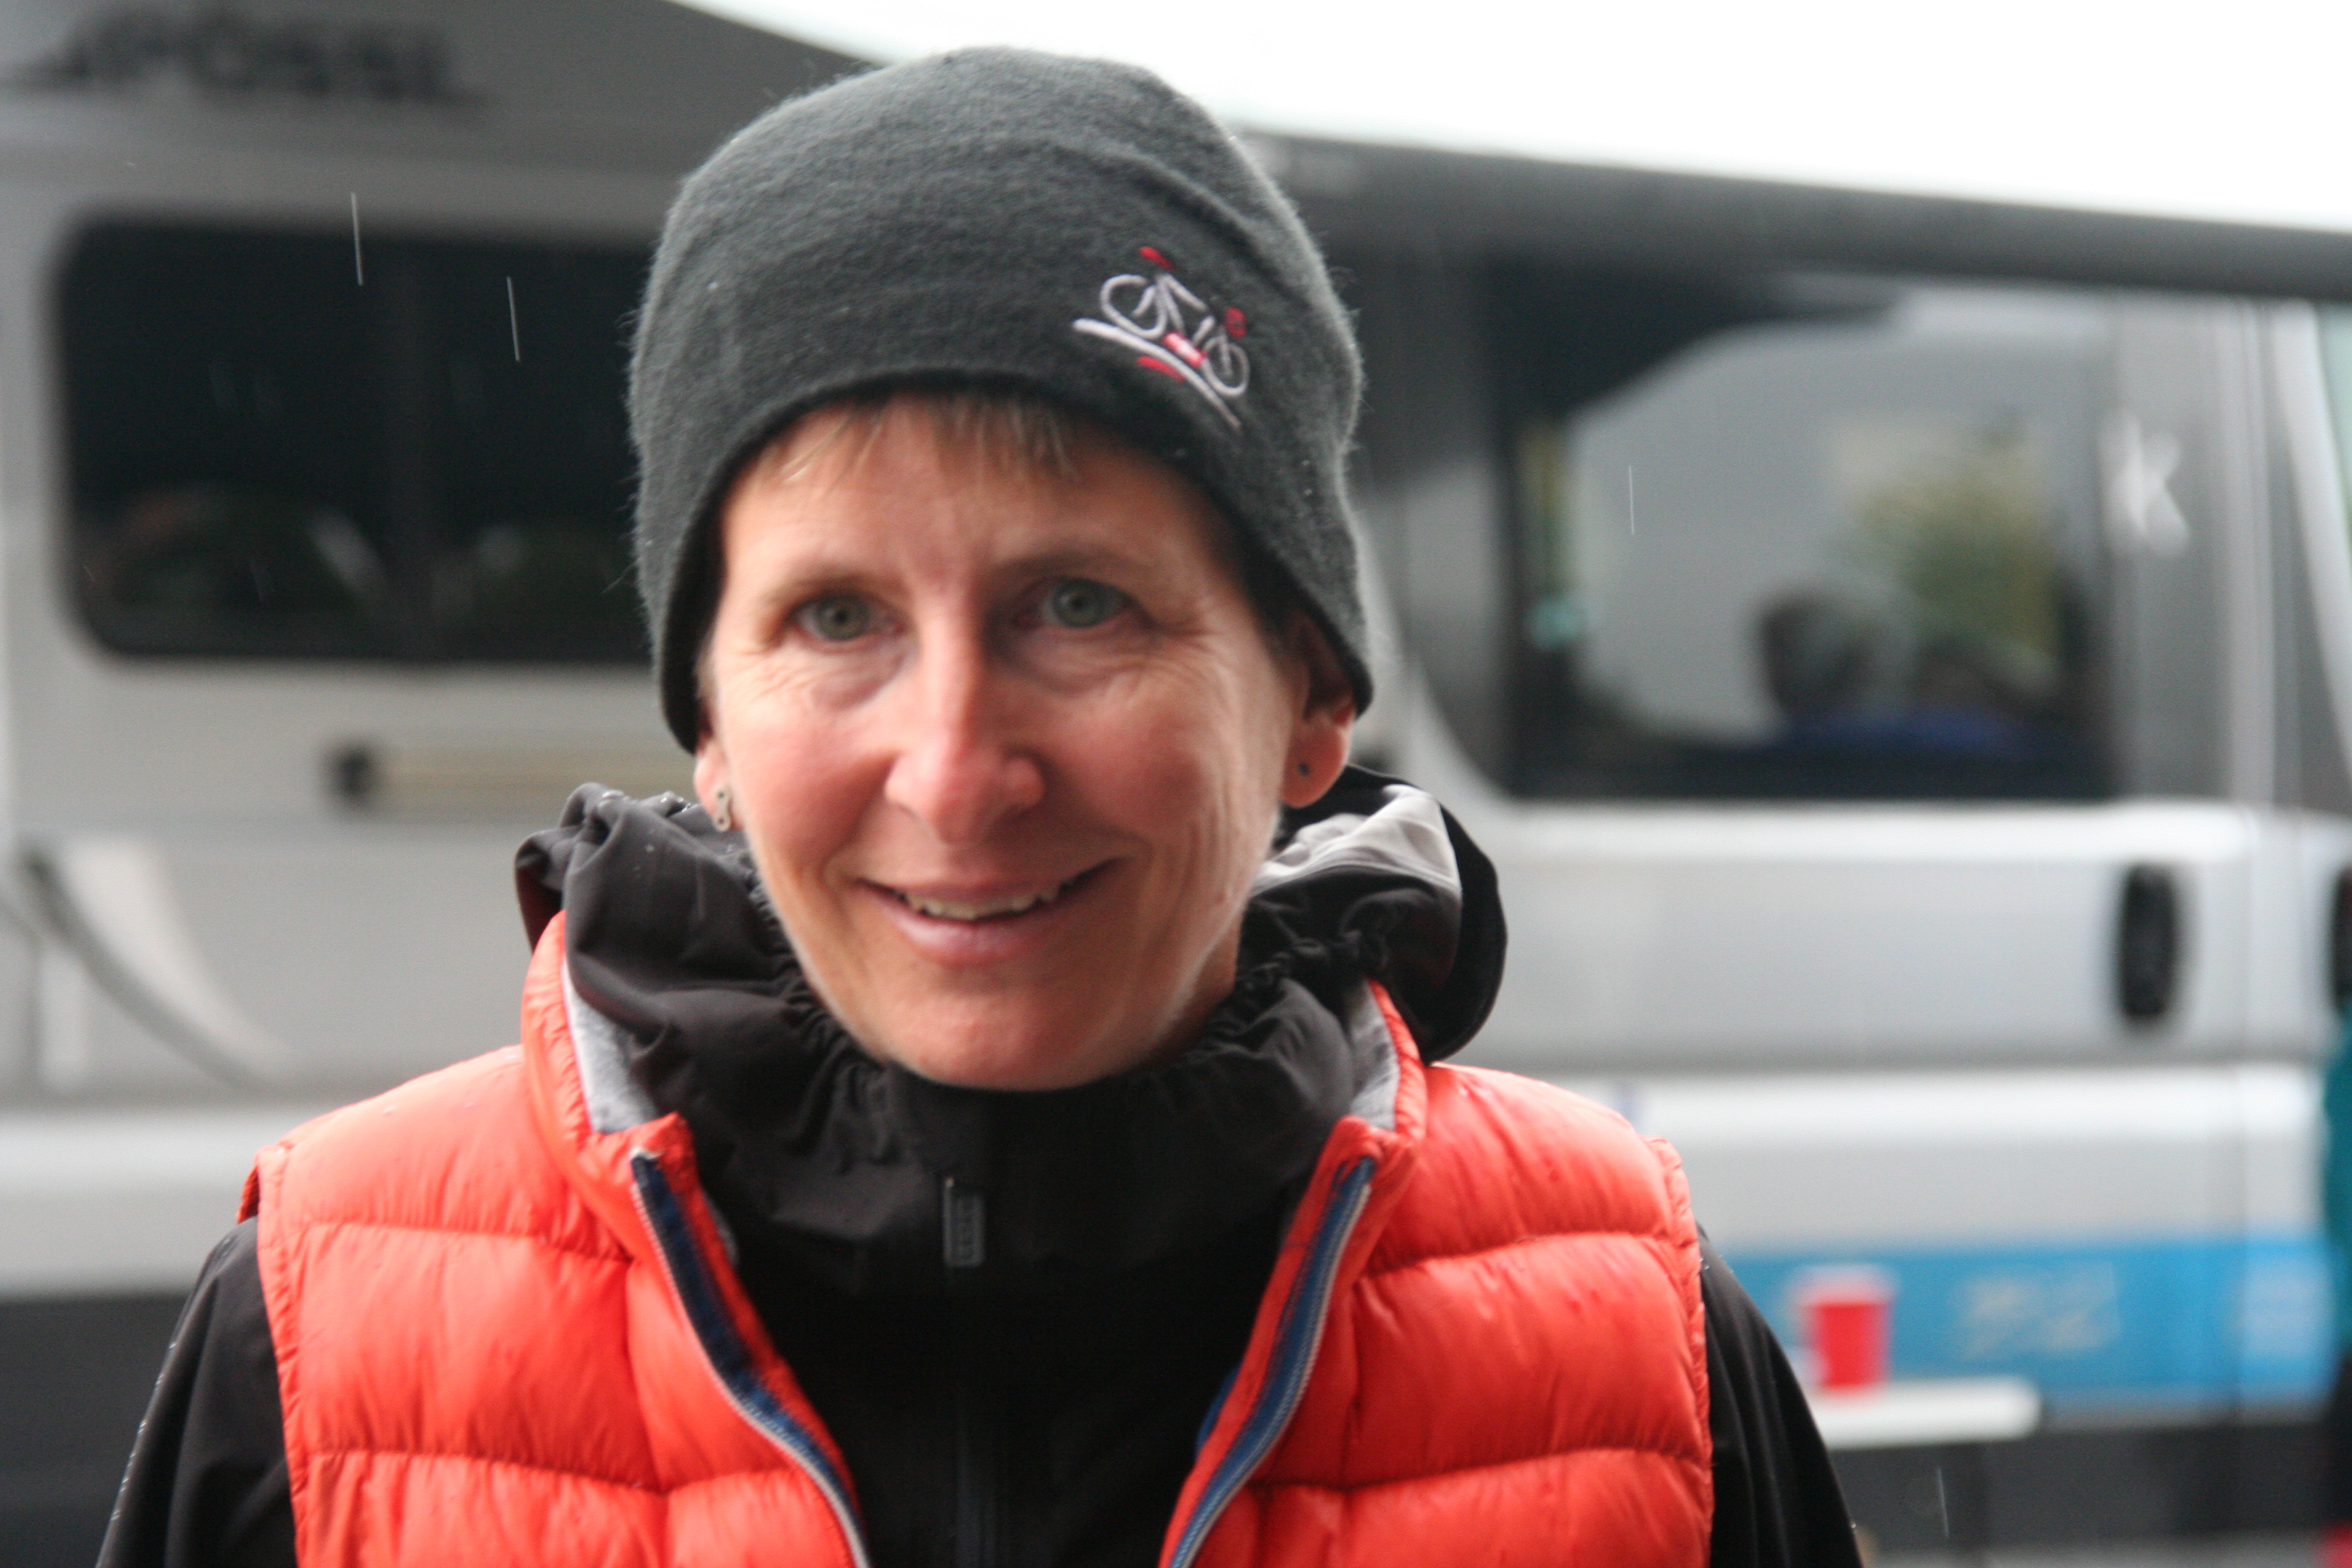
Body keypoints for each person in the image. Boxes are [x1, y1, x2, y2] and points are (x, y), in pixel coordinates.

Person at [100, 48, 1859, 1568]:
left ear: (1312, 694)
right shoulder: (317, 1340)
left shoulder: (1640, 1354)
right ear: (708, 717)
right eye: (835, 619)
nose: (953, 772)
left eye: (1079, 607)